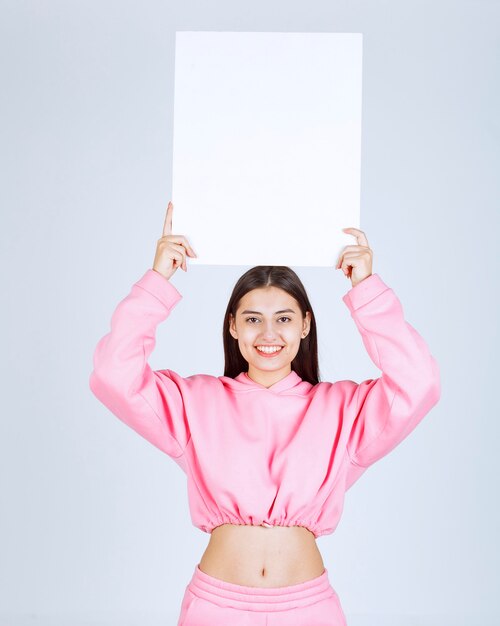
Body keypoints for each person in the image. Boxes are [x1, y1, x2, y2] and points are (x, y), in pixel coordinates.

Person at [89, 201, 441, 625]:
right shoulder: (195, 402)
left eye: (284, 319)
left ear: (306, 325)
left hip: (308, 609)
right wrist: (158, 280)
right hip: (216, 608)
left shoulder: (343, 410)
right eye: (253, 319)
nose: (268, 334)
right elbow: (113, 373)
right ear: (233, 325)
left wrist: (366, 289)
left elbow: (419, 382)